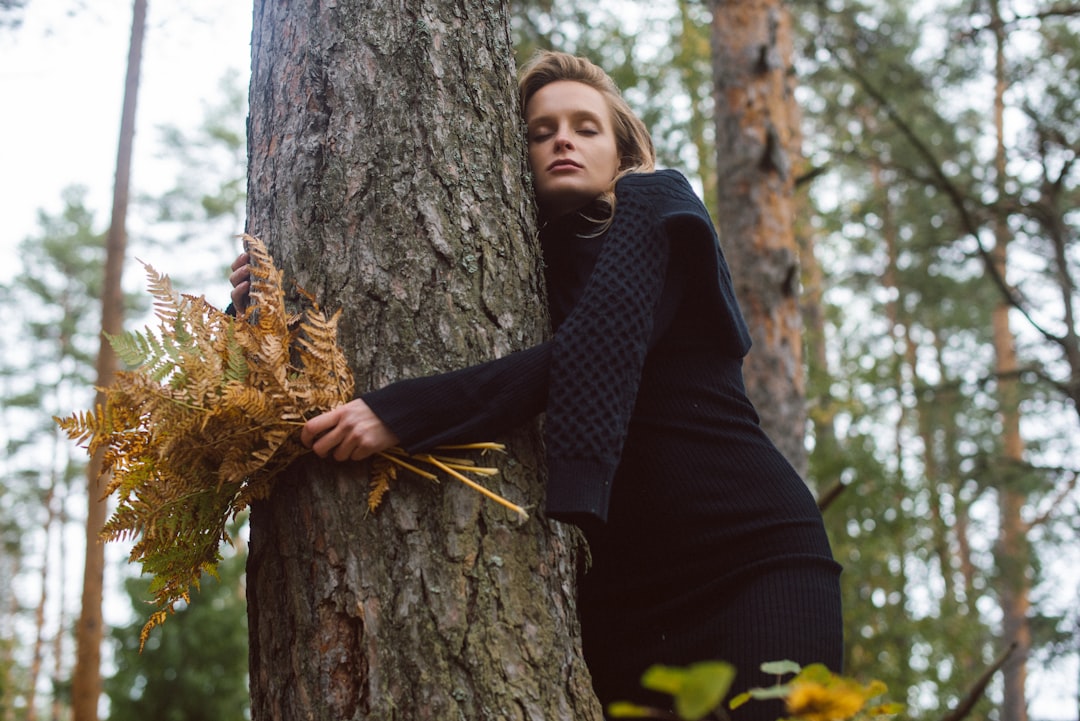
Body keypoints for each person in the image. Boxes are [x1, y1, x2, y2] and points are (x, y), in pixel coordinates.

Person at [230, 50, 843, 719]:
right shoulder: (514, 264)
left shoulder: (659, 209)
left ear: (621, 149)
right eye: (540, 129)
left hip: (746, 561)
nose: (562, 139)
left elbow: (591, 351)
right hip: (621, 599)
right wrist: (255, 312)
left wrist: (405, 412)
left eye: (586, 127)